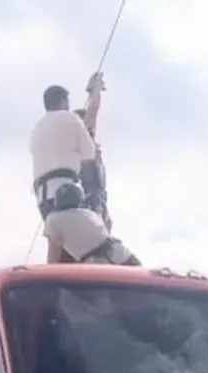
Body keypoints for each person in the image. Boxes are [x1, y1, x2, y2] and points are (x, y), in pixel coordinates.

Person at [29, 83, 97, 221]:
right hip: (66, 193)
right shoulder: (70, 118)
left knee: (55, 232)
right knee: (79, 232)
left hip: (42, 197)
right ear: (63, 101)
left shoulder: (36, 129)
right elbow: (89, 153)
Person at [44, 182, 140, 266]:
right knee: (144, 276)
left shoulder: (52, 219)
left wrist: (50, 274)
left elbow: (54, 248)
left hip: (95, 262)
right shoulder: (89, 213)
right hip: (118, 251)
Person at [74, 72, 112, 232]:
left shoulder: (78, 149)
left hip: (95, 203)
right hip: (91, 204)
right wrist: (95, 90)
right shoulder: (83, 144)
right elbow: (93, 112)